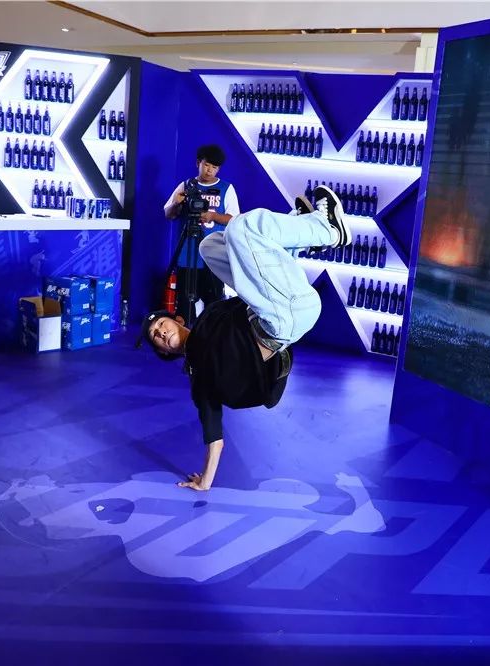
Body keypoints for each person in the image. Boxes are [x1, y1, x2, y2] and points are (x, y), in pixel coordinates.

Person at [142, 184, 349, 491]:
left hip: (281, 306)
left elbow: (255, 286)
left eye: (160, 325)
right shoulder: (199, 378)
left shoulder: (213, 315)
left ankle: (298, 236)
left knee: (210, 245)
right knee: (242, 227)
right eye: (156, 337)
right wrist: (205, 482)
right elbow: (214, 436)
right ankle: (326, 230)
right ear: (165, 352)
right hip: (280, 324)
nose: (160, 332)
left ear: (178, 319)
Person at [163, 144, 239, 321]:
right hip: (187, 253)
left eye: (214, 167)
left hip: (214, 256)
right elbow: (168, 214)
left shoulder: (226, 188)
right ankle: (183, 334)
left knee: (214, 303)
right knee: (184, 304)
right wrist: (176, 203)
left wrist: (212, 216)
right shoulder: (186, 185)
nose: (209, 170)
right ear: (198, 163)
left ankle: (210, 336)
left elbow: (234, 219)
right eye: (206, 165)